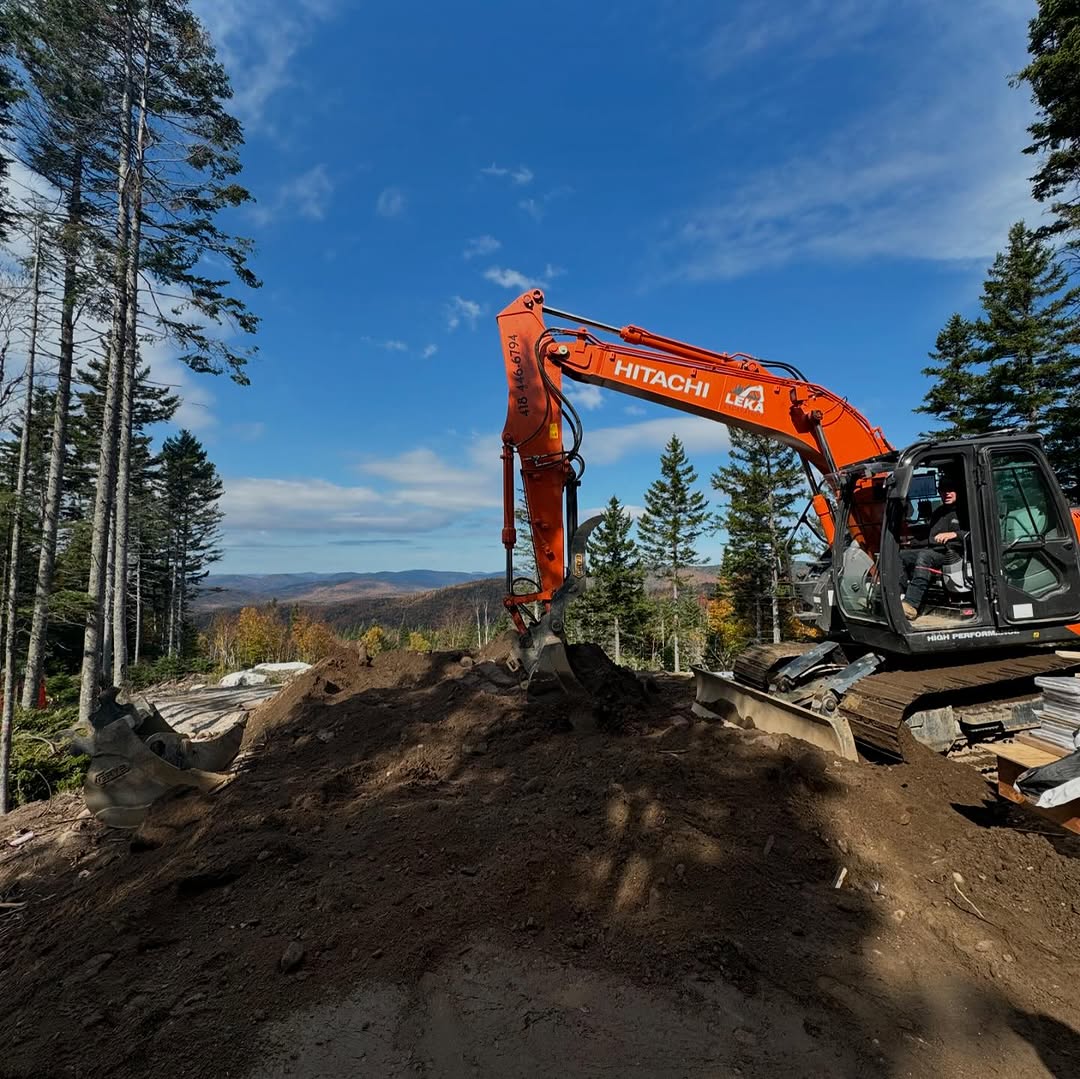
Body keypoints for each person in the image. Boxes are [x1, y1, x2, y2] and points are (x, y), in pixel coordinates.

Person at [900, 474, 966, 621]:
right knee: (902, 556)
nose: (947, 493)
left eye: (951, 489)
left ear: (958, 490)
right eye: (943, 490)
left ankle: (911, 605)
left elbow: (975, 533)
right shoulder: (938, 512)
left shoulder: (966, 510)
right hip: (936, 550)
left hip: (955, 553)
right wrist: (911, 543)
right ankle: (900, 595)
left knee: (925, 556)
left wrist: (954, 534)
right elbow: (931, 538)